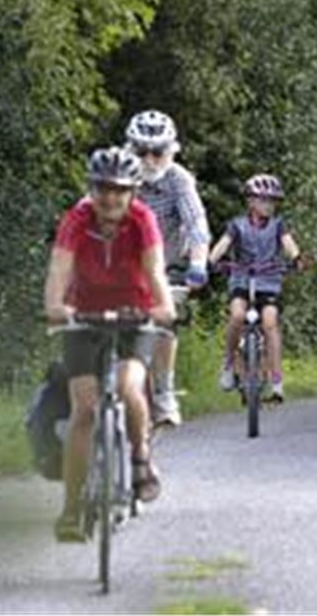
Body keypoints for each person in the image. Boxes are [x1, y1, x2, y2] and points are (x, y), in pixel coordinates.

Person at [45, 147, 176, 542]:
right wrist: (54, 305)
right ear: (92, 189)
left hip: (134, 315)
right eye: (103, 189)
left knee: (127, 386)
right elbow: (59, 268)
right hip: (82, 316)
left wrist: (163, 306)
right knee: (84, 408)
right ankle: (71, 506)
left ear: (133, 192)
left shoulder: (142, 220)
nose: (111, 198)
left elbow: (154, 271)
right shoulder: (77, 219)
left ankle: (140, 460)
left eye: (120, 190)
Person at [124, 110, 211, 428]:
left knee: (164, 320)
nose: (149, 159)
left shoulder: (179, 180)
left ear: (170, 151)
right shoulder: (118, 171)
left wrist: (198, 264)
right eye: (141, 151)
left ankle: (163, 391)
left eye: (157, 152)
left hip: (168, 263)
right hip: (122, 262)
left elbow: (197, 225)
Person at [209, 174, 305, 403]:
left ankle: (276, 378)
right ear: (251, 202)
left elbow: (288, 244)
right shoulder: (237, 225)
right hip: (241, 279)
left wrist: (296, 257)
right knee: (237, 315)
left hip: (269, 280)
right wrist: (211, 260)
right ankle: (229, 364)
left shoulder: (278, 225)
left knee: (270, 321)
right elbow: (223, 244)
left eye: (272, 201)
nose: (269, 206)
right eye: (264, 200)